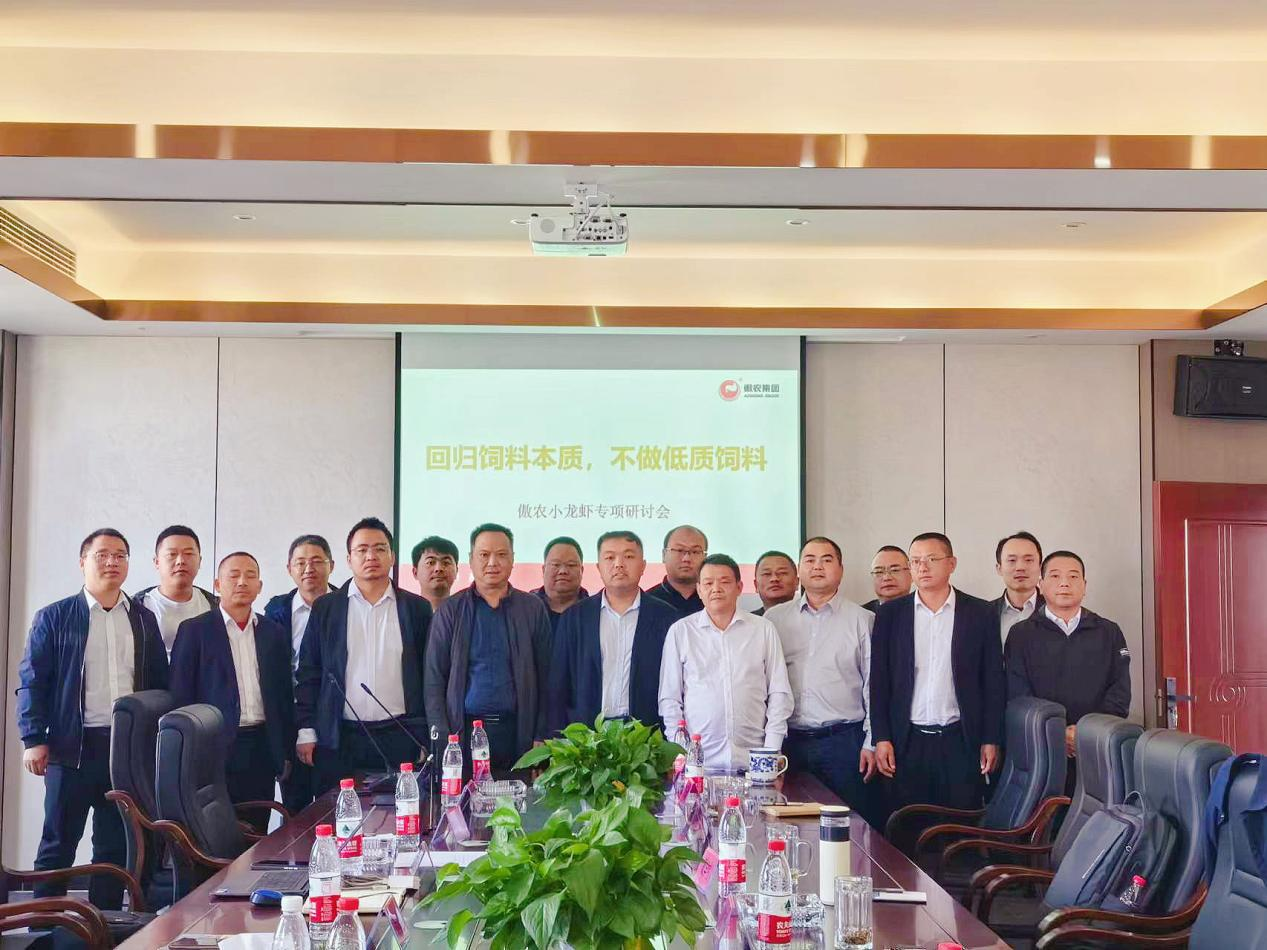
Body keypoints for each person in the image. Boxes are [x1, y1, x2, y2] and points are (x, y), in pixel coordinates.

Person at [16, 528, 168, 909]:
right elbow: (33, 681)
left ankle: (104, 924)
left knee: (113, 846)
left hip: (125, 750)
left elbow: (158, 683)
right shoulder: (55, 617)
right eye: (102, 555)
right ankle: (43, 926)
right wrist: (33, 738)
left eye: (120, 555)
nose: (112, 562)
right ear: (83, 562)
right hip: (72, 747)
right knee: (57, 844)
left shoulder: (143, 619)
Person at [870, 532, 1005, 813]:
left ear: (951, 564)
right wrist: (881, 737)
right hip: (907, 740)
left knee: (960, 822)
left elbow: (993, 682)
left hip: (960, 739)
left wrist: (990, 738)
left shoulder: (980, 613)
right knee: (907, 823)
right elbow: (880, 683)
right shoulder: (891, 614)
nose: (923, 567)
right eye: (915, 561)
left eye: (931, 559)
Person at [295, 517, 432, 793]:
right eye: (362, 550)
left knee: (402, 812)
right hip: (341, 736)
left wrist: (424, 735)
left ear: (392, 557)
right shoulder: (326, 608)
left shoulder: (416, 608)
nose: (371, 556)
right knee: (339, 812)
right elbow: (309, 672)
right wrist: (306, 729)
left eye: (380, 549)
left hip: (400, 734)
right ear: (349, 559)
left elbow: (428, 674)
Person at [170, 552, 294, 831]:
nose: (242, 582)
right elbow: (181, 697)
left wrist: (284, 750)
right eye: (233, 575)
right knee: (216, 834)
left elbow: (283, 697)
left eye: (250, 576)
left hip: (261, 747)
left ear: (260, 586)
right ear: (217, 584)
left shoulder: (273, 633)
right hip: (214, 747)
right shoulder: (194, 631)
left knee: (257, 831)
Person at [425, 523, 552, 775]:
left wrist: (542, 735)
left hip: (519, 734)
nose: (492, 562)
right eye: (484, 555)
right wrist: (443, 741)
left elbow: (548, 678)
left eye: (501, 554)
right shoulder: (451, 610)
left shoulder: (532, 608)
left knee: (520, 798)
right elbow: (434, 680)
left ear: (513, 560)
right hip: (464, 734)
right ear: (471, 560)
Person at [766, 537, 877, 821]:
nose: (817, 567)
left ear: (840, 570)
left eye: (826, 560)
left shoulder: (862, 619)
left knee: (846, 825)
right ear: (799, 569)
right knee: (788, 823)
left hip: (842, 742)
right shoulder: (774, 619)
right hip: (789, 742)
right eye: (810, 560)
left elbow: (873, 686)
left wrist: (871, 741)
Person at [1005, 550, 1131, 795]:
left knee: (1094, 811)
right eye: (1055, 576)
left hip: (1096, 746)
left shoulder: (1108, 632)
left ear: (1084, 586)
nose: (1064, 583)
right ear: (1041, 585)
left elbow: (1119, 691)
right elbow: (1018, 693)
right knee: (1046, 812)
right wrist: (1055, 733)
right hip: (1041, 748)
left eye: (1073, 576)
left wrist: (1083, 733)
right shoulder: (1021, 634)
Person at [658, 554, 793, 770]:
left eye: (724, 582)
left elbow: (779, 693)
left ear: (739, 587)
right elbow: (670, 699)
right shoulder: (681, 631)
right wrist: (682, 752)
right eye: (708, 583)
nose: (716, 589)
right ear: (699, 589)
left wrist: (770, 751)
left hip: (754, 759)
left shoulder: (763, 629)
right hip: (699, 762)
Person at [547, 530, 678, 734]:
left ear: (643, 566)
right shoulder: (575, 617)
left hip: (646, 735)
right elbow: (558, 684)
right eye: (609, 557)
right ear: (598, 567)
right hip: (587, 736)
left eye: (628, 556)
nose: (619, 564)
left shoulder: (667, 618)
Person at [263, 533, 336, 814]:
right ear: (289, 568)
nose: (308, 569)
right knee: (295, 807)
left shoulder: (344, 605)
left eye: (317, 561)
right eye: (300, 562)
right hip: (290, 719)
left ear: (331, 565)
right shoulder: (276, 610)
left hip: (335, 719)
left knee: (335, 803)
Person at [135, 525, 217, 654]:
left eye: (188, 554)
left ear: (200, 561)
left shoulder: (215, 605)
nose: (180, 561)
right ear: (157, 562)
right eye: (171, 554)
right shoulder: (135, 607)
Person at [990, 531, 1045, 646]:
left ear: (1040, 567)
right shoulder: (985, 614)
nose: (1020, 567)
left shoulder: (1056, 611)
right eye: (1012, 560)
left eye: (1028, 560)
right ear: (999, 568)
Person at [646, 525, 707, 618]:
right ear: (664, 555)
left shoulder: (715, 601)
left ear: (705, 558)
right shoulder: (645, 603)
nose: (686, 558)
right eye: (679, 550)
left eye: (695, 552)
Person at [532, 536, 589, 634]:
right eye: (555, 565)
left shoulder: (593, 610)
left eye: (571, 565)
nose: (563, 571)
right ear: (543, 570)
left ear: (582, 571)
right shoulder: (527, 609)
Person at [411, 535, 459, 614]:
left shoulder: (466, 612)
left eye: (446, 563)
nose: (438, 569)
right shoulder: (405, 613)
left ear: (456, 571)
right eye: (430, 562)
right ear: (415, 572)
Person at [862, 546, 912, 613]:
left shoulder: (923, 610)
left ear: (911, 574)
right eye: (879, 572)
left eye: (895, 570)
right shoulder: (861, 614)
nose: (886, 578)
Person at [753, 550, 797, 616]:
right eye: (767, 574)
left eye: (782, 573)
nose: (774, 579)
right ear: (756, 585)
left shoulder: (810, 618)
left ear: (797, 582)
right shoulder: (746, 621)